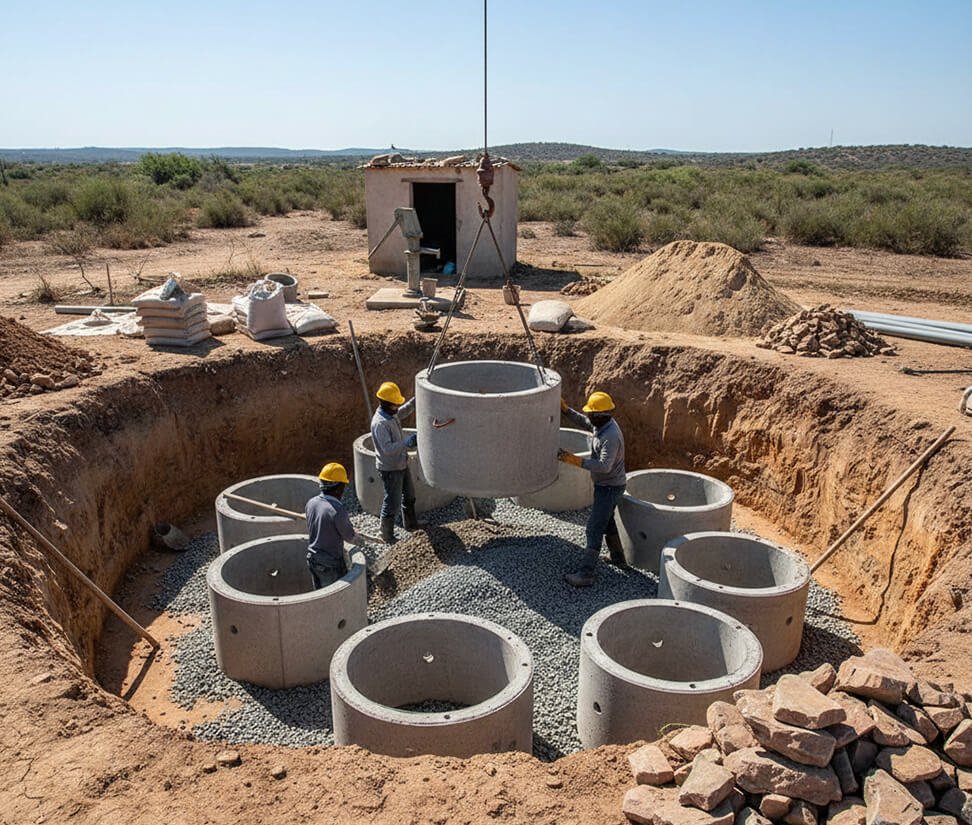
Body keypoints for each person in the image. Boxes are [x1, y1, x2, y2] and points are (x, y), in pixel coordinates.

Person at [558, 391, 627, 587]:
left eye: (591, 414)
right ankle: (618, 559)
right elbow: (584, 422)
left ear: (600, 415)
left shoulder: (610, 436)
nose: (588, 416)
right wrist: (566, 411)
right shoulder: (602, 425)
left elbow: (604, 465)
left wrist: (576, 461)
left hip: (610, 487)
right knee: (607, 522)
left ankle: (586, 574)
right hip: (608, 486)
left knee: (594, 528)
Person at [371, 380, 424, 545]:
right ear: (386, 404)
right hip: (390, 468)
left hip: (401, 463)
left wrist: (417, 400)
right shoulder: (380, 423)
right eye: (395, 404)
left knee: (409, 495)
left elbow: (402, 411)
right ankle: (386, 535)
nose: (397, 407)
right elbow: (387, 449)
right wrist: (407, 442)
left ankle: (411, 525)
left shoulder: (390, 413)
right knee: (392, 501)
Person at [305, 462, 363, 589]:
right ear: (338, 487)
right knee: (335, 598)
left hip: (312, 559)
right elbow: (349, 536)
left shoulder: (311, 503)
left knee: (320, 597)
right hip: (330, 564)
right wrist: (358, 537)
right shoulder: (337, 509)